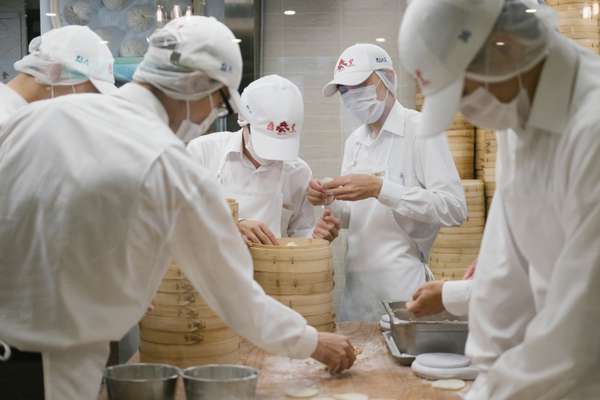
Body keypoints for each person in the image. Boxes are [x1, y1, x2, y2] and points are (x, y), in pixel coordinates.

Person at [0, 16, 355, 400]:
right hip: (58, 370)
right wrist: (313, 343)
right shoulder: (171, 167)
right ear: (198, 87)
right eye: (217, 104)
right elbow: (235, 296)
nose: (208, 119)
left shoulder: (39, 117)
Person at [399, 0, 600, 398]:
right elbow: (506, 264)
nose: (464, 112)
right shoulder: (516, 108)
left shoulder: (590, 130)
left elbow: (583, 329)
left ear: (505, 47)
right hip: (539, 377)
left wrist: (494, 392)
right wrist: (487, 369)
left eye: (464, 92)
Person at [307, 43, 467, 321]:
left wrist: (380, 188)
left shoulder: (420, 130)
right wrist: (329, 202)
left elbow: (454, 208)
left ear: (388, 79)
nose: (352, 96)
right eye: (344, 91)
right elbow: (355, 217)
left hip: (403, 293)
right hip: (356, 295)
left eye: (359, 86)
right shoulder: (355, 141)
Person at [187, 74, 340, 245]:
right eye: (267, 141)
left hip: (273, 269)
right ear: (243, 121)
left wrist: (316, 238)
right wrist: (233, 223)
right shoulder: (203, 152)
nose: (273, 155)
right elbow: (178, 216)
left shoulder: (298, 171)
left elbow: (299, 235)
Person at [0, 25, 116, 126]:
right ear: (53, 72)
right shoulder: (7, 123)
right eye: (92, 93)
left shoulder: (21, 114)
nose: (89, 105)